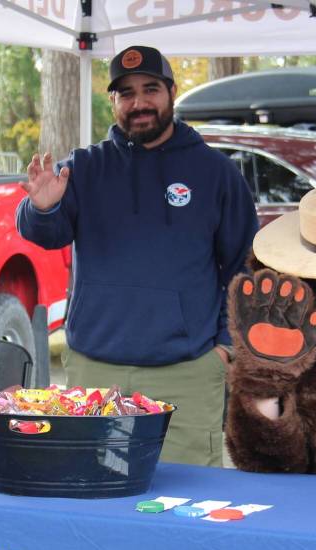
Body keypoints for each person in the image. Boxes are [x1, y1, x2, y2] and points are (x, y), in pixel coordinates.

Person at [16, 45, 258, 467]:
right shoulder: (85, 167)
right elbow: (45, 234)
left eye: (150, 89)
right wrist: (42, 206)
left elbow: (244, 268)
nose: (139, 102)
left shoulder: (215, 172)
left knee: (186, 499)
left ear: (171, 93)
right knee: (92, 489)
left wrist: (223, 346)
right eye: (125, 94)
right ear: (113, 102)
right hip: (96, 370)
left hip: (186, 372)